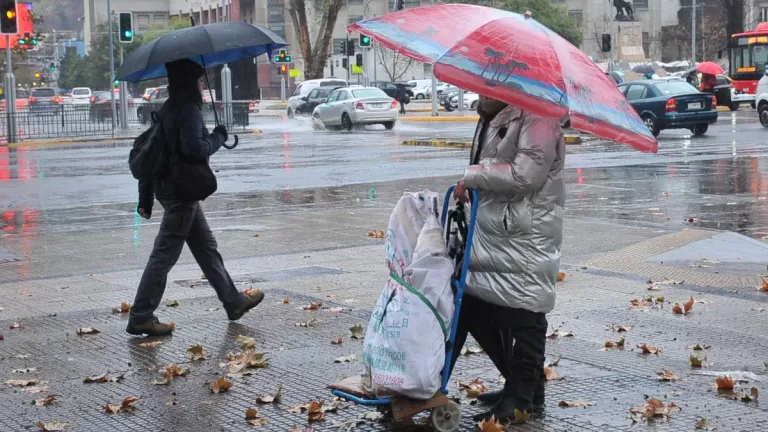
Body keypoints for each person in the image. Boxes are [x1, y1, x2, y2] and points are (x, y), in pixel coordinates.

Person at [128, 58, 264, 337]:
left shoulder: (170, 107)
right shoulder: (187, 109)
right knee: (163, 255)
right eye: (200, 80)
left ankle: (233, 301)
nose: (202, 85)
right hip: (181, 192)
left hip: (172, 189)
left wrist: (147, 198)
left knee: (205, 247)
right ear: (191, 82)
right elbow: (195, 150)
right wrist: (217, 137)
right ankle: (141, 315)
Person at [450, 95, 565, 424]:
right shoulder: (497, 113)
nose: (481, 89)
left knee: (525, 313)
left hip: (525, 233)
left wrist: (472, 177)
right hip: (496, 232)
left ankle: (522, 399)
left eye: (490, 81)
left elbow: (524, 176)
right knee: (476, 307)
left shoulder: (538, 116)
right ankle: (524, 386)